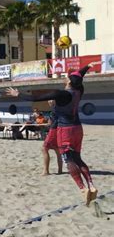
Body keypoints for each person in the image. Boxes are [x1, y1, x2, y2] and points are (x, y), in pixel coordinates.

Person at [6, 61, 102, 205]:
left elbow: (35, 98)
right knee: (78, 158)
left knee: (68, 159)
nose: (65, 77)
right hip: (78, 128)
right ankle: (91, 185)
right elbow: (79, 76)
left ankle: (82, 188)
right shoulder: (79, 90)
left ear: (69, 81)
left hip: (65, 129)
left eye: (67, 76)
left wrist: (17, 93)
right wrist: (87, 66)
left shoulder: (61, 94)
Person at [42, 100, 63, 176]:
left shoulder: (55, 109)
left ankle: (46, 171)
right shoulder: (61, 109)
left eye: (50, 100)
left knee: (44, 148)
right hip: (60, 130)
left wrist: (49, 124)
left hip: (54, 130)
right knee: (58, 151)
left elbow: (51, 122)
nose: (48, 101)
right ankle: (60, 170)